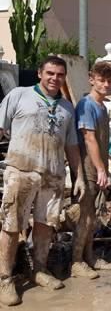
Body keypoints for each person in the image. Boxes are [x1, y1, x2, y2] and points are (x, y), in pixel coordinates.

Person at [0, 56, 82, 306]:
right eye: (50, 73)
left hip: (54, 175)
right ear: (39, 73)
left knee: (46, 224)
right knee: (12, 225)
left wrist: (78, 177)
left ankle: (39, 270)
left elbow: (71, 146)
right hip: (21, 171)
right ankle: (5, 279)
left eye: (59, 74)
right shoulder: (18, 95)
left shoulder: (67, 108)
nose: (54, 78)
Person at [71, 62, 111, 279]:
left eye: (109, 80)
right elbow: (89, 138)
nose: (106, 84)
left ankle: (90, 257)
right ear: (92, 79)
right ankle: (76, 261)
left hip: (99, 167)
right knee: (86, 217)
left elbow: (101, 141)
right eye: (101, 80)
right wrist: (100, 169)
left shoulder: (102, 107)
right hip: (88, 168)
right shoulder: (86, 105)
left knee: (93, 216)